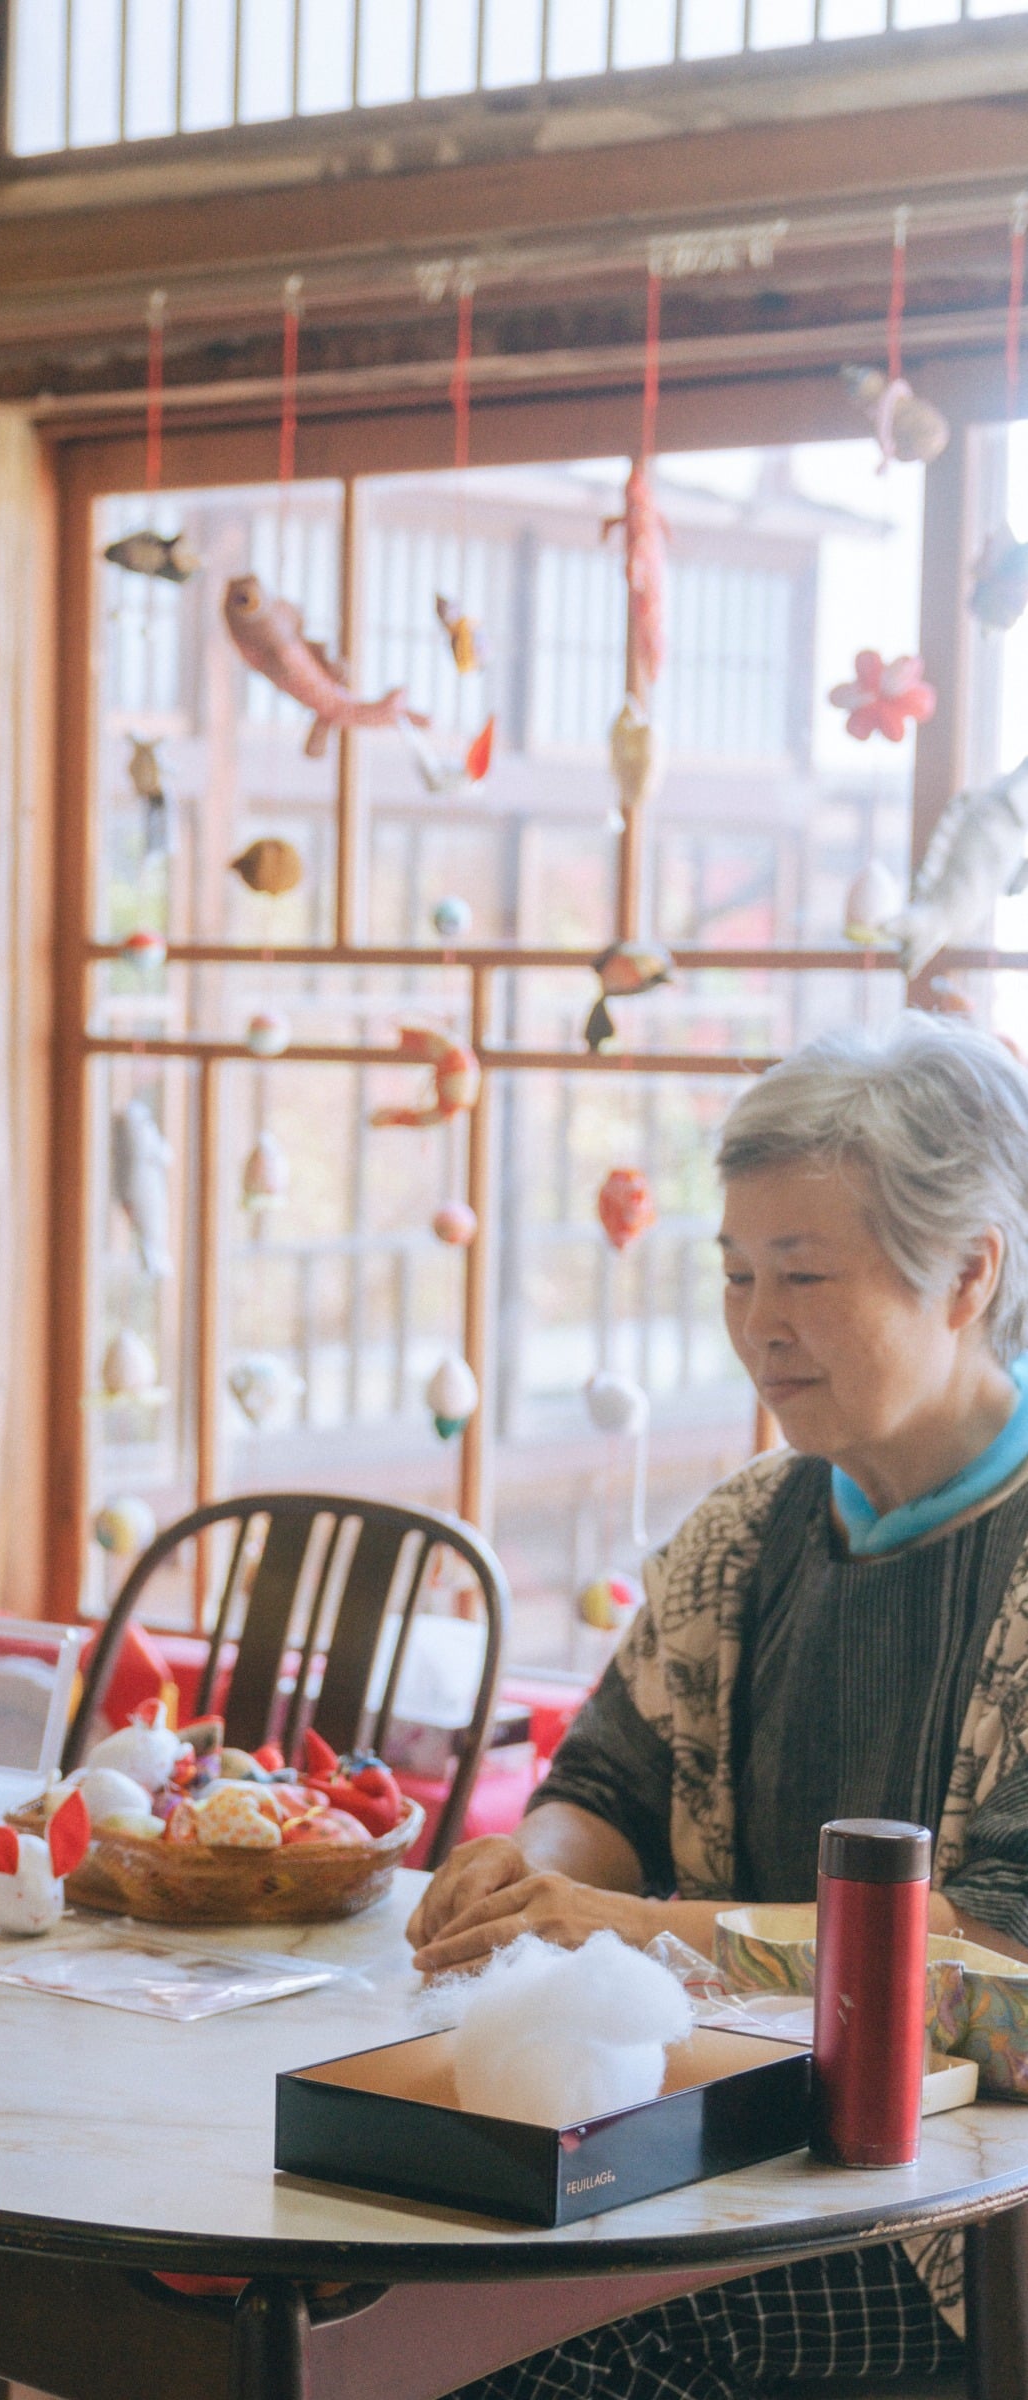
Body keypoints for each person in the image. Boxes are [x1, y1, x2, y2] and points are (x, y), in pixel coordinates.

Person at [409, 1011, 1028, 2400]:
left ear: (967, 1273)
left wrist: (629, 1933)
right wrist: (529, 1879)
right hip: (710, 2150)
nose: (757, 1325)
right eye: (735, 1273)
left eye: (801, 1275)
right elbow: (609, 1783)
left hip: (951, 2216)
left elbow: (993, 1947)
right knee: (377, 2293)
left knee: (536, 2355)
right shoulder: (748, 1523)